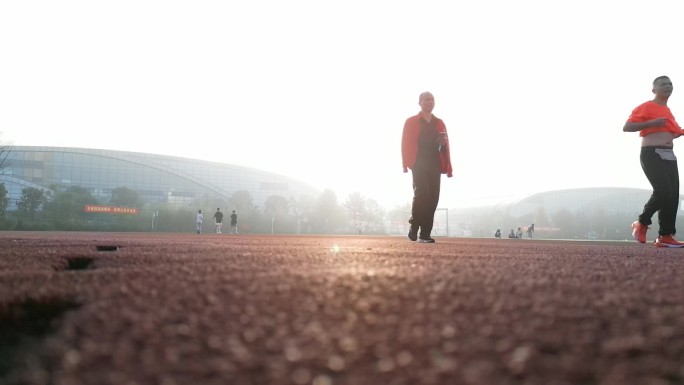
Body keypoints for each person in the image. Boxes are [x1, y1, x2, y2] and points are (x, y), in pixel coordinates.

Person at [624, 75, 684, 248]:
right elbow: (627, 127)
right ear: (654, 90)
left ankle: (665, 235)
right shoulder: (647, 106)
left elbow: (672, 132)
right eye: (663, 84)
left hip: (669, 155)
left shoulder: (668, 111)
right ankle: (641, 222)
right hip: (652, 154)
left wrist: (678, 132)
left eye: (670, 84)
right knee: (663, 191)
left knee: (672, 196)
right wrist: (652, 122)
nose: (668, 86)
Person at [401, 91, 453, 243]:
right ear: (420, 102)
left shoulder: (439, 123)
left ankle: (424, 234)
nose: (430, 102)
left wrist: (441, 144)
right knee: (422, 194)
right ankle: (414, 226)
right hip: (418, 162)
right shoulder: (411, 121)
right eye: (426, 100)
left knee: (433, 198)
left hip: (434, 163)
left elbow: (444, 147)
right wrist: (406, 162)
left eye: (432, 100)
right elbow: (405, 143)